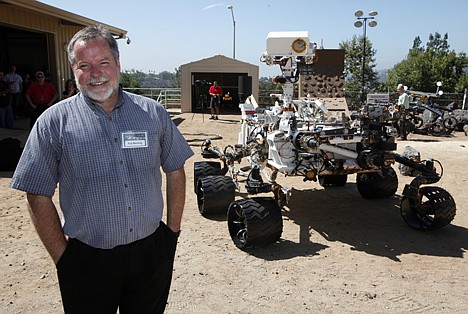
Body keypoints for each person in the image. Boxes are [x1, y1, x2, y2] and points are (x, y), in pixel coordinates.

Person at [10, 25, 193, 313]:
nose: (95, 73)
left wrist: (171, 233)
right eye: (85, 65)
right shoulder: (52, 123)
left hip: (151, 252)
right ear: (74, 70)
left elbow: (175, 169)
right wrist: (64, 258)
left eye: (103, 62)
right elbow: (36, 193)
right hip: (86, 261)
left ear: (118, 64)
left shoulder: (152, 113)